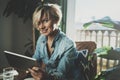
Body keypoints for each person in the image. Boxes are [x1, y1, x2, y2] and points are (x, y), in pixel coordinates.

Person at [28, 3, 81, 80]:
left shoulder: (68, 45)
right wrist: (30, 67)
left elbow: (61, 75)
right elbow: (35, 60)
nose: (41, 26)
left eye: (46, 21)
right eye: (39, 23)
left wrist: (45, 77)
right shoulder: (41, 39)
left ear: (56, 19)